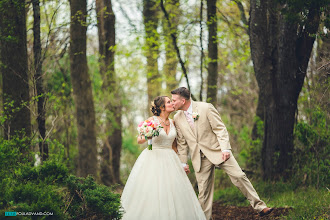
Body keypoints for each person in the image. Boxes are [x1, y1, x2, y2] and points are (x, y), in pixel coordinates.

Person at [171, 87, 273, 220]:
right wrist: (183, 162)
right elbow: (182, 143)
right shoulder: (177, 118)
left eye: (174, 100)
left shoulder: (206, 108)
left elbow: (220, 129)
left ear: (183, 100)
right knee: (203, 193)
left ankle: (260, 206)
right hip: (199, 158)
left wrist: (225, 148)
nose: (172, 103)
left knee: (239, 176)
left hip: (218, 151)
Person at [121, 96, 206, 220]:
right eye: (169, 102)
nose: (172, 103)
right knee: (153, 190)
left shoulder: (173, 122)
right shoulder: (152, 120)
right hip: (152, 158)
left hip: (171, 160)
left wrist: (182, 164)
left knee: (174, 192)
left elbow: (175, 146)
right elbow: (139, 140)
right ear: (162, 107)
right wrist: (149, 134)